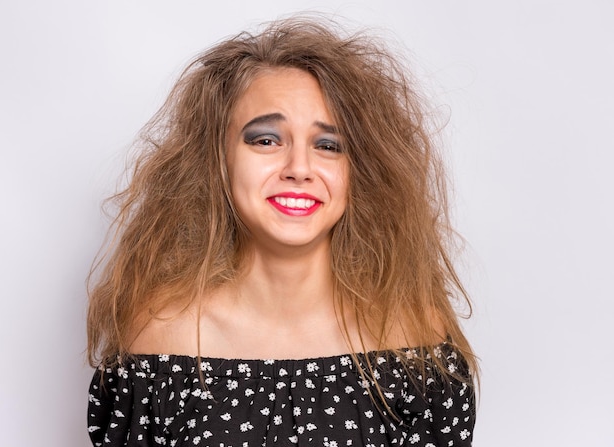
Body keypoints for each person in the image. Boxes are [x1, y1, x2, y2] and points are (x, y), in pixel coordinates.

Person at [87, 16, 478, 447]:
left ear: (361, 170)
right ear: (217, 159)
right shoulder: (159, 338)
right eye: (266, 140)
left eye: (328, 145)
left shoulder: (416, 338)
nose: (299, 169)